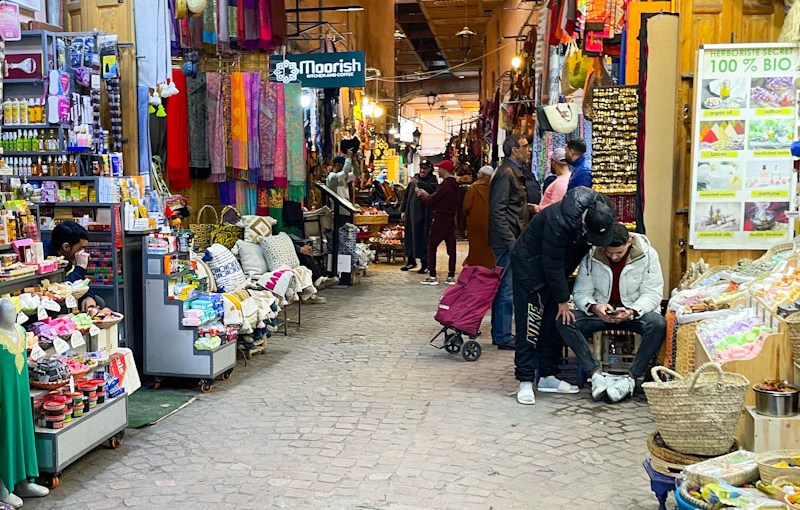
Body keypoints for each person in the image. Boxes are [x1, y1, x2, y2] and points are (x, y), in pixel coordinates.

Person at [510, 186, 615, 405]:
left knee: (554, 322)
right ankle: (525, 381)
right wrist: (562, 299)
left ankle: (548, 376)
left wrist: (560, 299)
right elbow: (552, 263)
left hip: (554, 272)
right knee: (530, 324)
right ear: (585, 223)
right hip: (530, 270)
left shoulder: (600, 211)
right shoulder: (560, 221)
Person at [556, 223, 666, 402]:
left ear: (629, 242)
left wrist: (632, 310)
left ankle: (631, 378)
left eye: (619, 253)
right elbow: (581, 292)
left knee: (658, 324)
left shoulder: (648, 255)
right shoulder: (592, 255)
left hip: (632, 312)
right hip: (601, 312)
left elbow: (652, 293)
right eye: (609, 252)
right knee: (565, 320)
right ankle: (595, 375)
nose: (614, 256)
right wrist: (594, 307)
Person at [488, 134, 530, 350]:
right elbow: (497, 211)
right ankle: (503, 335)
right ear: (514, 149)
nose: (528, 149)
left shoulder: (511, 172)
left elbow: (509, 207)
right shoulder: (506, 173)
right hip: (507, 241)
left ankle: (502, 333)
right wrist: (511, 242)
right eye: (524, 146)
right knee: (506, 289)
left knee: (506, 288)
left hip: (511, 238)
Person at [417, 160, 459, 286]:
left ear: (445, 170)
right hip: (451, 219)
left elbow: (432, 200)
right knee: (451, 249)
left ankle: (432, 275)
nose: (438, 170)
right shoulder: (455, 185)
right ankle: (451, 275)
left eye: (440, 168)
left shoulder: (445, 185)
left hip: (440, 219)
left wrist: (421, 196)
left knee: (432, 246)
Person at [400, 159, 438, 273]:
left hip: (424, 215)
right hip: (411, 213)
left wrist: (419, 183)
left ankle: (425, 264)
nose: (422, 171)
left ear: (430, 169)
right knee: (410, 236)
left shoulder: (432, 180)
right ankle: (410, 261)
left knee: (423, 238)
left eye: (425, 168)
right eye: (421, 168)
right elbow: (406, 196)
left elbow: (433, 190)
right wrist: (403, 210)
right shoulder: (414, 179)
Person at [462, 165, 495, 268]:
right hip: (491, 221)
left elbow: (467, 206)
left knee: (476, 246)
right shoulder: (495, 187)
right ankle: (489, 265)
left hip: (475, 221)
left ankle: (475, 265)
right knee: (488, 245)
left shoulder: (474, 187)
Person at [534, 148, 571, 212]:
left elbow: (555, 207)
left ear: (553, 162)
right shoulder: (569, 177)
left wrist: (537, 208)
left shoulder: (560, 183)